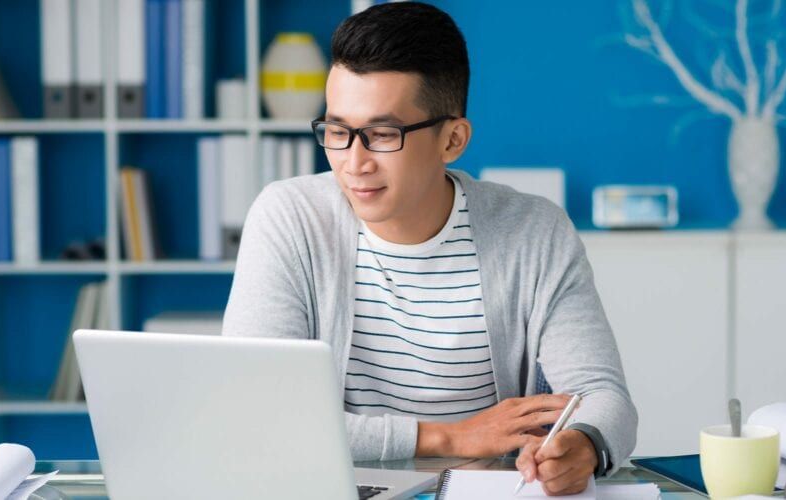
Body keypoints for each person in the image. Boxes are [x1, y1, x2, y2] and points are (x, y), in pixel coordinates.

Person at [222, 2, 637, 495]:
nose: (353, 162)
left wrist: (584, 443)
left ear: (452, 140)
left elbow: (604, 397)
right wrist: (452, 437)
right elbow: (258, 415)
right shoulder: (289, 218)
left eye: (381, 135)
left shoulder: (533, 232)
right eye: (337, 131)